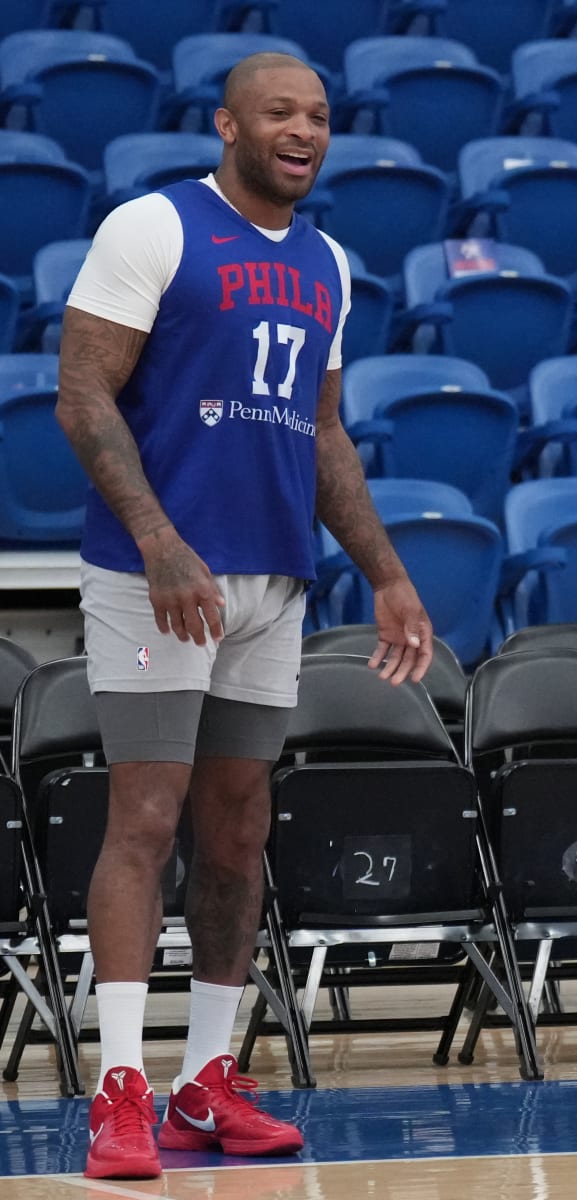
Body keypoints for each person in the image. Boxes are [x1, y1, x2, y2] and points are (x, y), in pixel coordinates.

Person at [56, 53, 433, 1180]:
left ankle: (203, 1085)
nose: (303, 130)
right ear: (227, 124)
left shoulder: (328, 264)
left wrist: (388, 571)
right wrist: (161, 541)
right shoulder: (153, 228)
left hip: (273, 577)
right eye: (279, 112)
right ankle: (119, 1088)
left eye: (318, 116)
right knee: (146, 820)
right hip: (154, 573)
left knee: (236, 833)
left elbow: (321, 434)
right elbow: (82, 394)